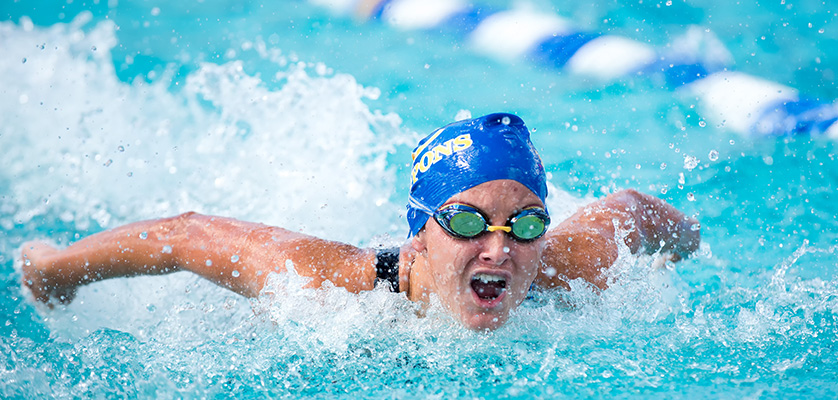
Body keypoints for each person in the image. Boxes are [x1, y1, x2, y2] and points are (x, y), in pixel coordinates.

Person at [20, 113, 700, 331]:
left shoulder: (567, 263)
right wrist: (49, 272)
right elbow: (186, 234)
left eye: (524, 225)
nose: (499, 248)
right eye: (467, 222)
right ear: (420, 231)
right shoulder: (336, 289)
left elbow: (636, 211)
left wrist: (696, 243)